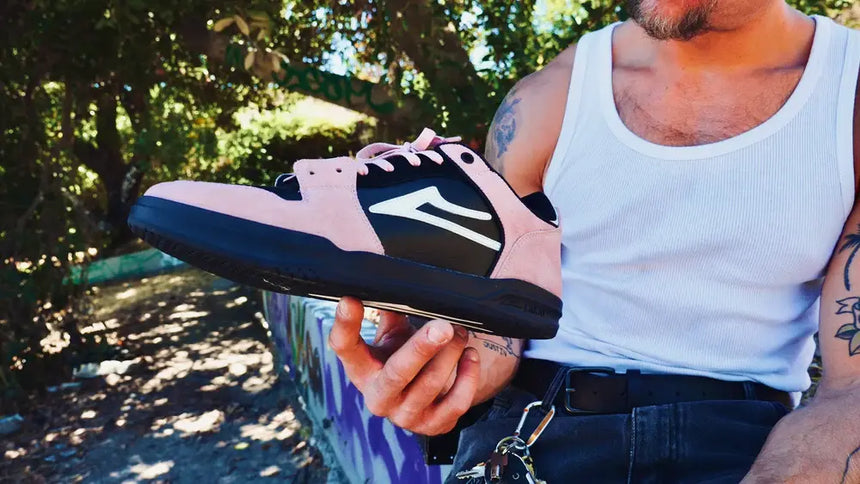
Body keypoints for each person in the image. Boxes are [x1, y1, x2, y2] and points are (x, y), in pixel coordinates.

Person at [328, 0, 860, 481]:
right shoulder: (546, 100)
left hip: (750, 447)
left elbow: (852, 390)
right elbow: (503, 330)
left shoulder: (848, 92)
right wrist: (443, 368)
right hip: (534, 430)